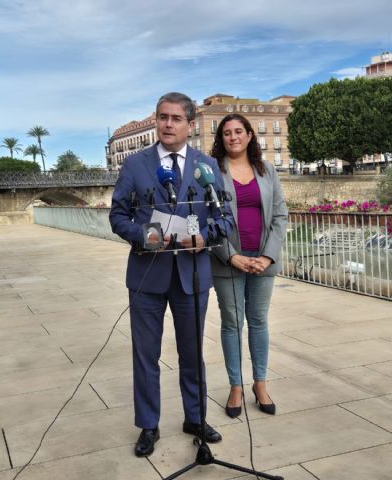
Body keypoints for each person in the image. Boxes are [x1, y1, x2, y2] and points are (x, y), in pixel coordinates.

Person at [109, 92, 233, 457]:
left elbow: (224, 219)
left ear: (190, 125)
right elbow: (117, 216)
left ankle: (195, 418)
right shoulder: (134, 165)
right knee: (145, 354)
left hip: (192, 275)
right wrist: (144, 236)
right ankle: (148, 425)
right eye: (163, 117)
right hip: (147, 276)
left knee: (192, 354)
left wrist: (204, 237)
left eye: (176, 118)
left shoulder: (207, 166)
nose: (167, 124)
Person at [209, 113, 288, 418]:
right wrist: (231, 256)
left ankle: (260, 383)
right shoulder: (213, 172)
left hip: (262, 260)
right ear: (221, 139)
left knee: (258, 322)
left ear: (250, 135)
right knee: (232, 324)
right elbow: (207, 220)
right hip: (227, 261)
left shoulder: (267, 170)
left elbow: (280, 215)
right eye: (227, 133)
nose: (233, 137)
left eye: (238, 131)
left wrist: (267, 256)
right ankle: (235, 386)